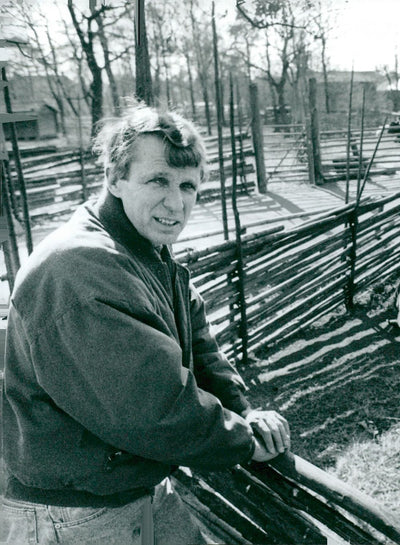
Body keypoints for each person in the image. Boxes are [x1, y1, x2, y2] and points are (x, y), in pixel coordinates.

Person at [0, 104, 290, 544]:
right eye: (158, 180)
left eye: (188, 186)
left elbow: (198, 343)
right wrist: (242, 440)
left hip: (134, 487)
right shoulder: (80, 269)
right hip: (73, 513)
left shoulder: (145, 252)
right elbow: (153, 408)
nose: (176, 203)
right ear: (115, 178)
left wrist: (244, 410)